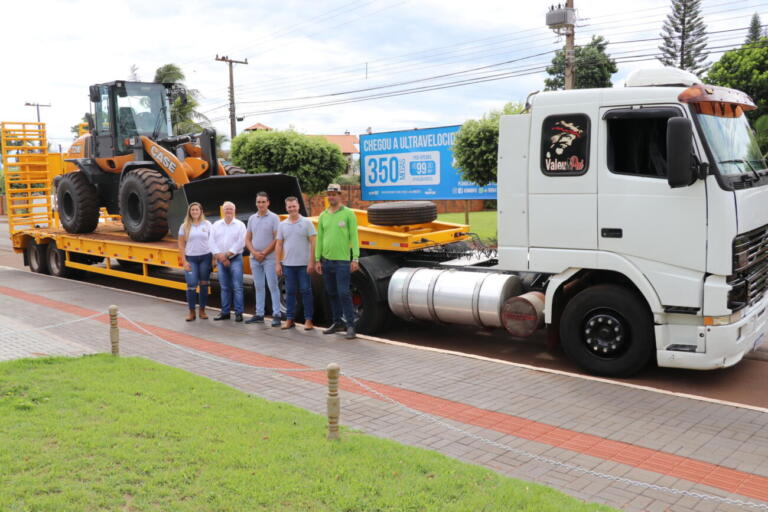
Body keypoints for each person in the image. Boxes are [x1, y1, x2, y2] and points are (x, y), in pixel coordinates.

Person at [314, 183, 359, 339]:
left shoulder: (348, 214)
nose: (331, 197)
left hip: (342, 262)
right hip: (326, 261)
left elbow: (354, 237)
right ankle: (337, 322)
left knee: (344, 293)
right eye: (329, 194)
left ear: (340, 195)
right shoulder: (323, 215)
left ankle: (351, 325)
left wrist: (355, 258)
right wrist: (317, 259)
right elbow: (319, 239)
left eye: (334, 194)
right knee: (332, 293)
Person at [275, 196, 316, 331]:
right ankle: (289, 319)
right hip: (288, 265)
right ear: (286, 208)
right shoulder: (282, 225)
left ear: (298, 206)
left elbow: (313, 243)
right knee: (290, 293)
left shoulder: (306, 223)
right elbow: (279, 245)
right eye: (289, 207)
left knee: (306, 292)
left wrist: (312, 261)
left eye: (294, 206)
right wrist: (277, 263)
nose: (292, 209)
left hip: (304, 265)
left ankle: (308, 320)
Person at [244, 191, 282, 327]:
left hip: (269, 258)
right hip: (255, 259)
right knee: (259, 286)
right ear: (256, 203)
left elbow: (277, 238)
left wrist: (264, 253)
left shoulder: (274, 218)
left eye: (263, 202)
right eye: (258, 202)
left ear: (268, 203)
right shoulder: (252, 219)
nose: (261, 204)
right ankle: (259, 314)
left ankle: (276, 314)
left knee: (273, 286)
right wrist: (254, 252)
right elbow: (247, 239)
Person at [209, 201, 246, 322]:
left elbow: (241, 242)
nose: (228, 211)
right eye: (226, 209)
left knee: (237, 287)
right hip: (220, 259)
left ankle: (239, 313)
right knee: (224, 287)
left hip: (235, 258)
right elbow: (211, 241)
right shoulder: (216, 225)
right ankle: (225, 313)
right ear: (223, 211)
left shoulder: (240, 225)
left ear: (234, 211)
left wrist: (227, 255)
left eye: (231, 209)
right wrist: (220, 256)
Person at [177, 202, 212, 321]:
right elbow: (181, 245)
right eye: (192, 210)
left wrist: (215, 259)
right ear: (189, 212)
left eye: (197, 210)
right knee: (191, 284)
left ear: (201, 211)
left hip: (205, 257)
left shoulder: (207, 224)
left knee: (204, 284)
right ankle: (191, 312)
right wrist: (184, 261)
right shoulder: (184, 226)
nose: (195, 212)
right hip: (191, 258)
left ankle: (202, 310)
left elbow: (213, 241)